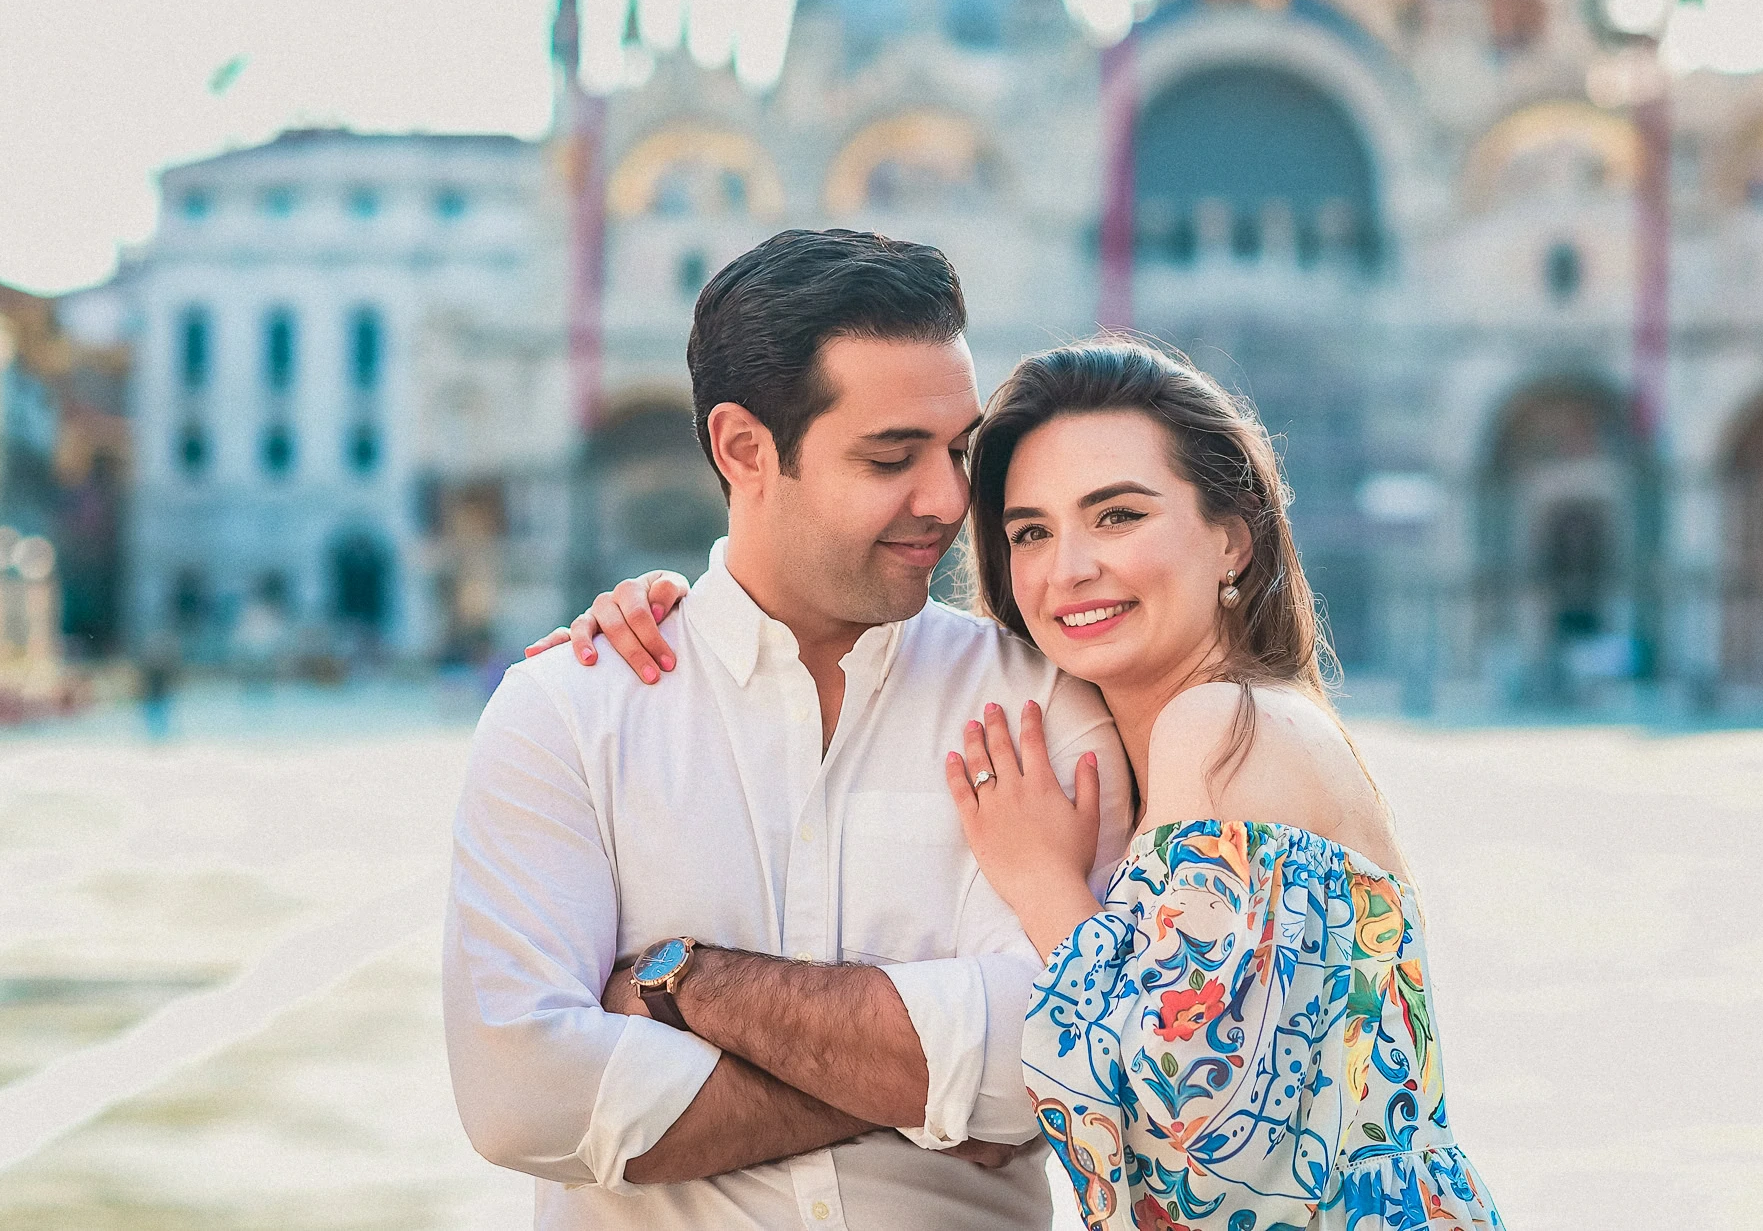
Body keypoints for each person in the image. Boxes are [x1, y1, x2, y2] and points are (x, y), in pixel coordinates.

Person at [550, 341, 1504, 1228]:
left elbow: (1200, 1133)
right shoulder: (1172, 747)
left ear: (1234, 540)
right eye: (1030, 531)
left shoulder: (1220, 730)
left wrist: (1046, 886)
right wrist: (683, 627)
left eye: (1119, 514)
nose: (1069, 568)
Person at [444, 228, 1135, 1231]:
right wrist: (916, 1083)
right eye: (891, 457)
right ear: (742, 448)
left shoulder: (1045, 701)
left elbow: (1051, 1066)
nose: (946, 501)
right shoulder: (569, 710)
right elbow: (520, 1094)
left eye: (957, 450)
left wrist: (689, 987)